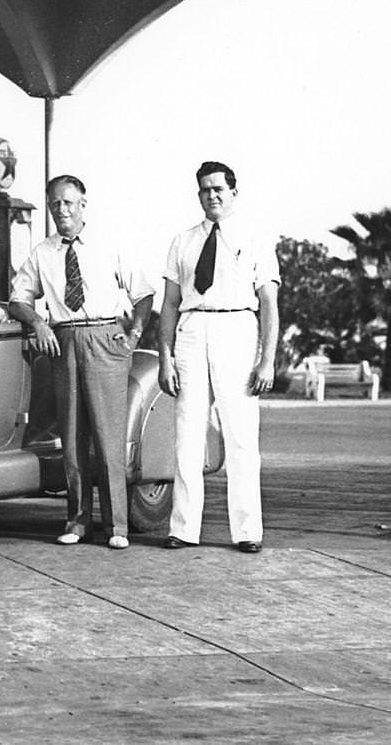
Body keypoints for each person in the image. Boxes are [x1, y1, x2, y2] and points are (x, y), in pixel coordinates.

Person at [9, 174, 153, 550]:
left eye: (68, 203)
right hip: (65, 339)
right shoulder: (43, 252)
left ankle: (117, 525)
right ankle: (77, 521)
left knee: (108, 439)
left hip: (106, 339)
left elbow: (144, 295)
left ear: (83, 205)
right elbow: (18, 299)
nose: (62, 210)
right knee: (72, 438)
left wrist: (133, 335)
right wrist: (38, 321)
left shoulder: (109, 245)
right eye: (55, 204)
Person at [158, 161, 280, 553]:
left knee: (241, 437)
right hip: (192, 332)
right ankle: (183, 528)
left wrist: (267, 359)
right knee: (187, 435)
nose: (212, 195)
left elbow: (269, 305)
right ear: (198, 195)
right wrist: (165, 356)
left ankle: (247, 532)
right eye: (205, 189)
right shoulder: (183, 241)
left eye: (219, 189)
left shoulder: (256, 238)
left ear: (233, 193)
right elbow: (170, 303)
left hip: (237, 330)